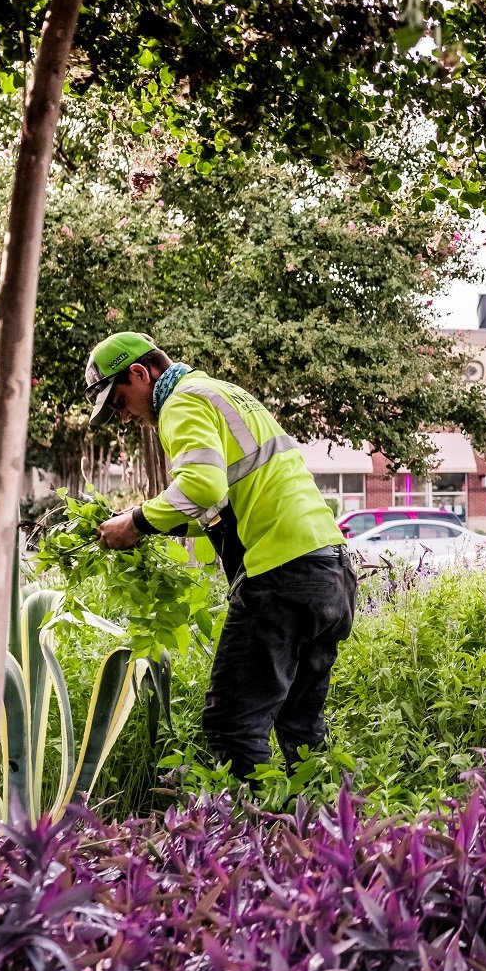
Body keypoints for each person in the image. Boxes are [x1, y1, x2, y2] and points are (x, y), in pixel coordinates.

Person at [82, 331, 355, 779]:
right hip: (329, 574)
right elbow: (220, 503)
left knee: (232, 726)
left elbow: (201, 486)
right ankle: (329, 833)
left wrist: (136, 520)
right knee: (300, 728)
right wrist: (145, 527)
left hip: (279, 576)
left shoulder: (181, 403)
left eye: (119, 401)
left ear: (139, 373)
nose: (123, 415)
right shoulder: (224, 393)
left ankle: (253, 841)